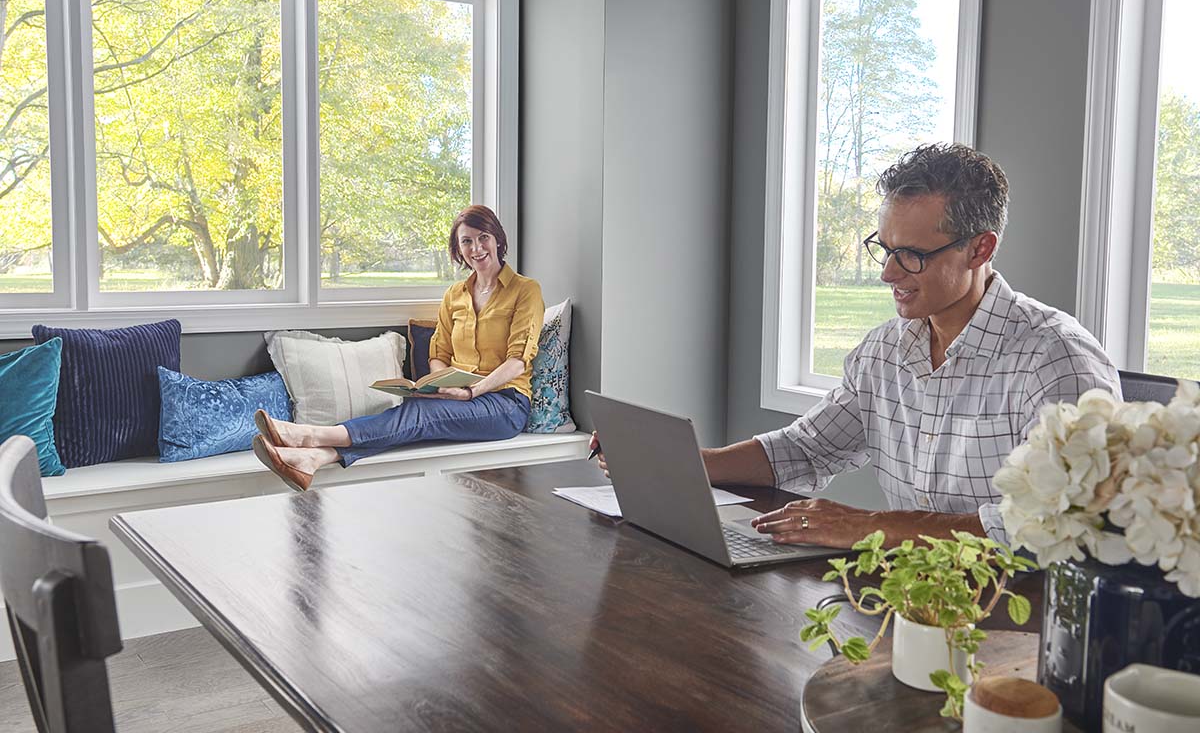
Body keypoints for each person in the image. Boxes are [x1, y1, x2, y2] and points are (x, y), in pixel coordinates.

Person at [593, 143, 1120, 549]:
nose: (889, 273)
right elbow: (806, 448)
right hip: (908, 595)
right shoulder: (884, 352)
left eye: (912, 254)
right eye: (885, 249)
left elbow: (1052, 525)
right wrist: (681, 463)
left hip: (1021, 618)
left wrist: (867, 527)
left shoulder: (1055, 361)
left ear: (980, 248)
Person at [252, 205, 544, 491]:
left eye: (483, 237)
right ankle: (315, 458)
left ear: (498, 239)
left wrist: (470, 392)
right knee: (414, 411)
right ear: (458, 249)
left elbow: (518, 361)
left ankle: (309, 436)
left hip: (505, 404)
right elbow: (438, 354)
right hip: (458, 397)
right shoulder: (455, 295)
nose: (476, 248)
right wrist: (438, 384)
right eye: (466, 241)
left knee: (420, 416)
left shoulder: (525, 290)